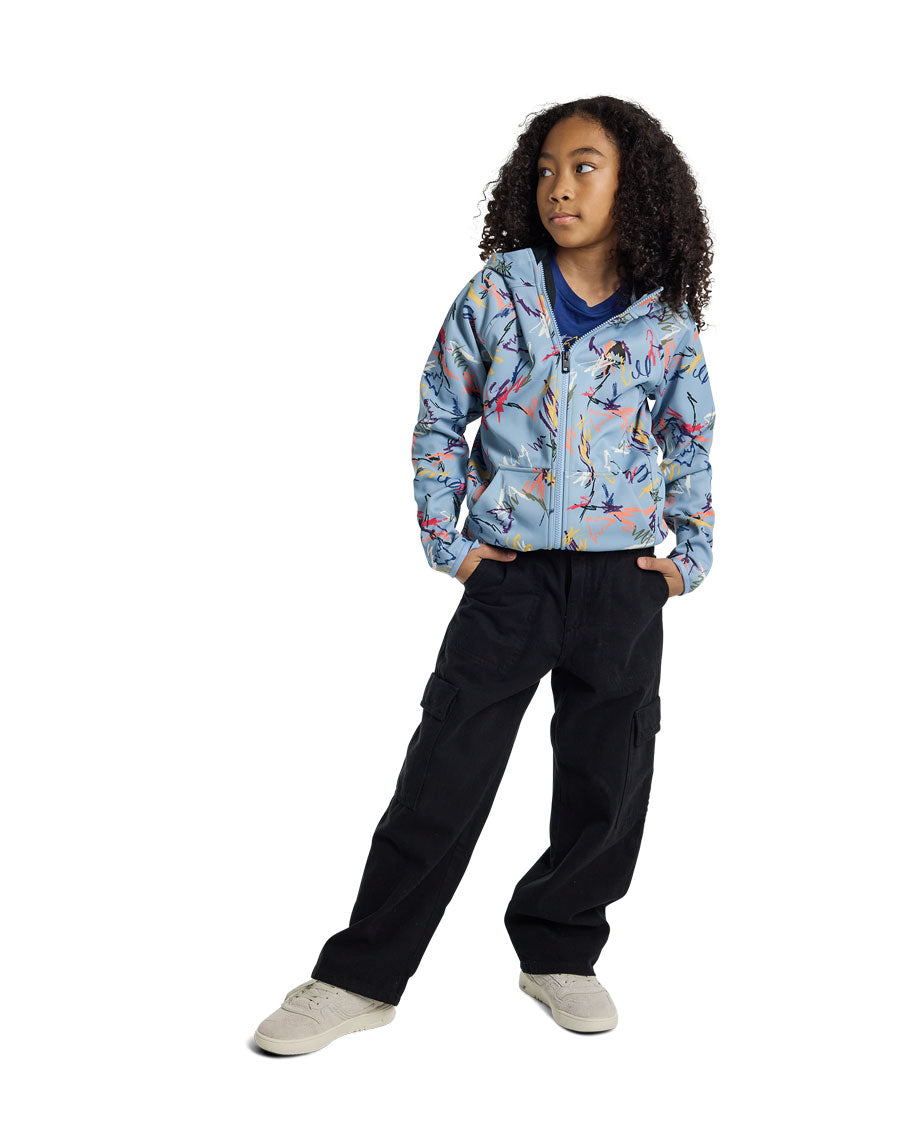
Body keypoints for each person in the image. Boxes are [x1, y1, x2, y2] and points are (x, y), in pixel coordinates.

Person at [254, 95, 717, 1055]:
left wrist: (686, 560)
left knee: (609, 776)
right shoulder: (498, 294)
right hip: (510, 580)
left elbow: (690, 438)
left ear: (634, 184)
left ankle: (561, 949)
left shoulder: (664, 321)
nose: (559, 188)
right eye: (545, 169)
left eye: (584, 167)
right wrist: (450, 540)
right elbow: (438, 414)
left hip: (622, 584)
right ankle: (359, 976)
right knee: (445, 772)